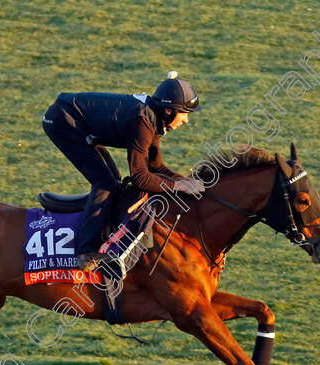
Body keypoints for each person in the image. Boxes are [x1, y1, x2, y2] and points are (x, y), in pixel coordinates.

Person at [42, 71, 206, 271]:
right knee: (106, 183)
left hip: (79, 120)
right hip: (64, 122)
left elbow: (156, 167)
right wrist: (178, 186)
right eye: (185, 114)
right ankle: (85, 252)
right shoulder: (142, 123)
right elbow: (140, 178)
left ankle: (101, 224)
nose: (186, 121)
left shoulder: (154, 118)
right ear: (169, 111)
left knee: (114, 180)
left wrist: (186, 182)